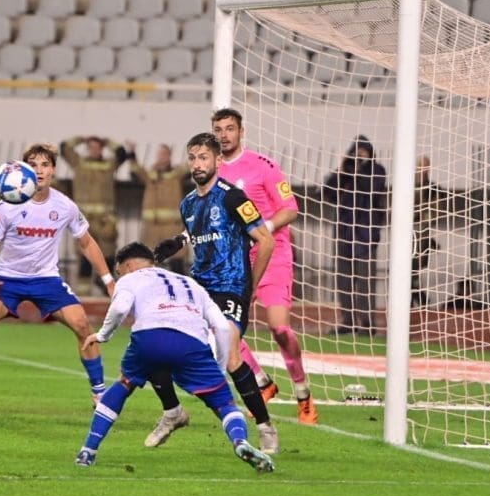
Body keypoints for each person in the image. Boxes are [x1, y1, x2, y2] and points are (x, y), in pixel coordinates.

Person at [75, 242, 274, 473]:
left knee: (124, 384)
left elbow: (119, 308)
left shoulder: (130, 279)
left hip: (149, 338)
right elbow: (221, 326)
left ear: (127, 266)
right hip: (192, 343)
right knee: (224, 403)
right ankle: (240, 441)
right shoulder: (190, 283)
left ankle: (88, 451)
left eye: (119, 272)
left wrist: (103, 335)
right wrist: (218, 369)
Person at [0, 142, 114, 417]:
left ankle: (100, 394)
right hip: (9, 278)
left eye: (45, 164)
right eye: (33, 165)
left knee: (82, 325)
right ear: (25, 170)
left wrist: (109, 280)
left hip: (46, 279)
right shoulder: (8, 205)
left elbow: (87, 242)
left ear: (53, 170)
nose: (40, 170)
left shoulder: (64, 206)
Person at [150, 132, 279, 454]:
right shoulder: (188, 203)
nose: (197, 164)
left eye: (203, 157)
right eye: (193, 158)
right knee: (154, 343)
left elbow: (266, 241)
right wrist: (178, 241)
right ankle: (173, 412)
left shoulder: (234, 198)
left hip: (231, 289)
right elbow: (200, 231)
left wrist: (251, 286)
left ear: (218, 161)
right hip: (199, 290)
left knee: (231, 353)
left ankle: (265, 427)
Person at [212, 108, 319, 424]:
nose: (224, 135)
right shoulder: (213, 171)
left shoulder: (263, 166)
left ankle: (303, 394)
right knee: (223, 328)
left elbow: (290, 210)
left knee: (279, 328)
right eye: (218, 129)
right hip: (236, 260)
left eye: (229, 128)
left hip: (272, 254)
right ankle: (262, 383)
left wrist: (261, 230)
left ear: (241, 131)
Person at [322, 136, 388, 334]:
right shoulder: (346, 172)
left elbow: (372, 189)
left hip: (365, 235)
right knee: (344, 280)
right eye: (356, 152)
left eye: (363, 152)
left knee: (365, 280)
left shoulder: (377, 170)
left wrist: (358, 170)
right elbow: (328, 191)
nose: (359, 156)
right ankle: (348, 320)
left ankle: (367, 323)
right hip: (344, 233)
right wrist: (343, 169)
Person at [59, 135, 126, 294]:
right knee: (85, 259)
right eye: (92, 147)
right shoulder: (79, 163)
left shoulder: (109, 165)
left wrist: (107, 141)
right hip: (84, 221)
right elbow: (64, 147)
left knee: (108, 257)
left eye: (98, 147)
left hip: (105, 222)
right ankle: (84, 296)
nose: (95, 150)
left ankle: (108, 293)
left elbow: (121, 153)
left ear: (102, 148)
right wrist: (81, 139)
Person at [124, 142, 190, 274]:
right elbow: (137, 171)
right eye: (160, 154)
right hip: (151, 227)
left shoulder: (176, 174)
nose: (162, 157)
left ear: (170, 156)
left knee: (177, 260)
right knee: (148, 260)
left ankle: (178, 286)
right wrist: (131, 153)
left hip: (172, 226)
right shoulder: (150, 175)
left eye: (165, 154)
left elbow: (190, 167)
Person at [411, 156, 440, 308]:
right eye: (420, 166)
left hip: (422, 233)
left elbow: (434, 211)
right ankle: (419, 300)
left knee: (415, 269)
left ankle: (419, 300)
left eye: (425, 167)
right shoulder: (409, 185)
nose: (422, 170)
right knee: (409, 270)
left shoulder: (432, 188)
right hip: (409, 233)